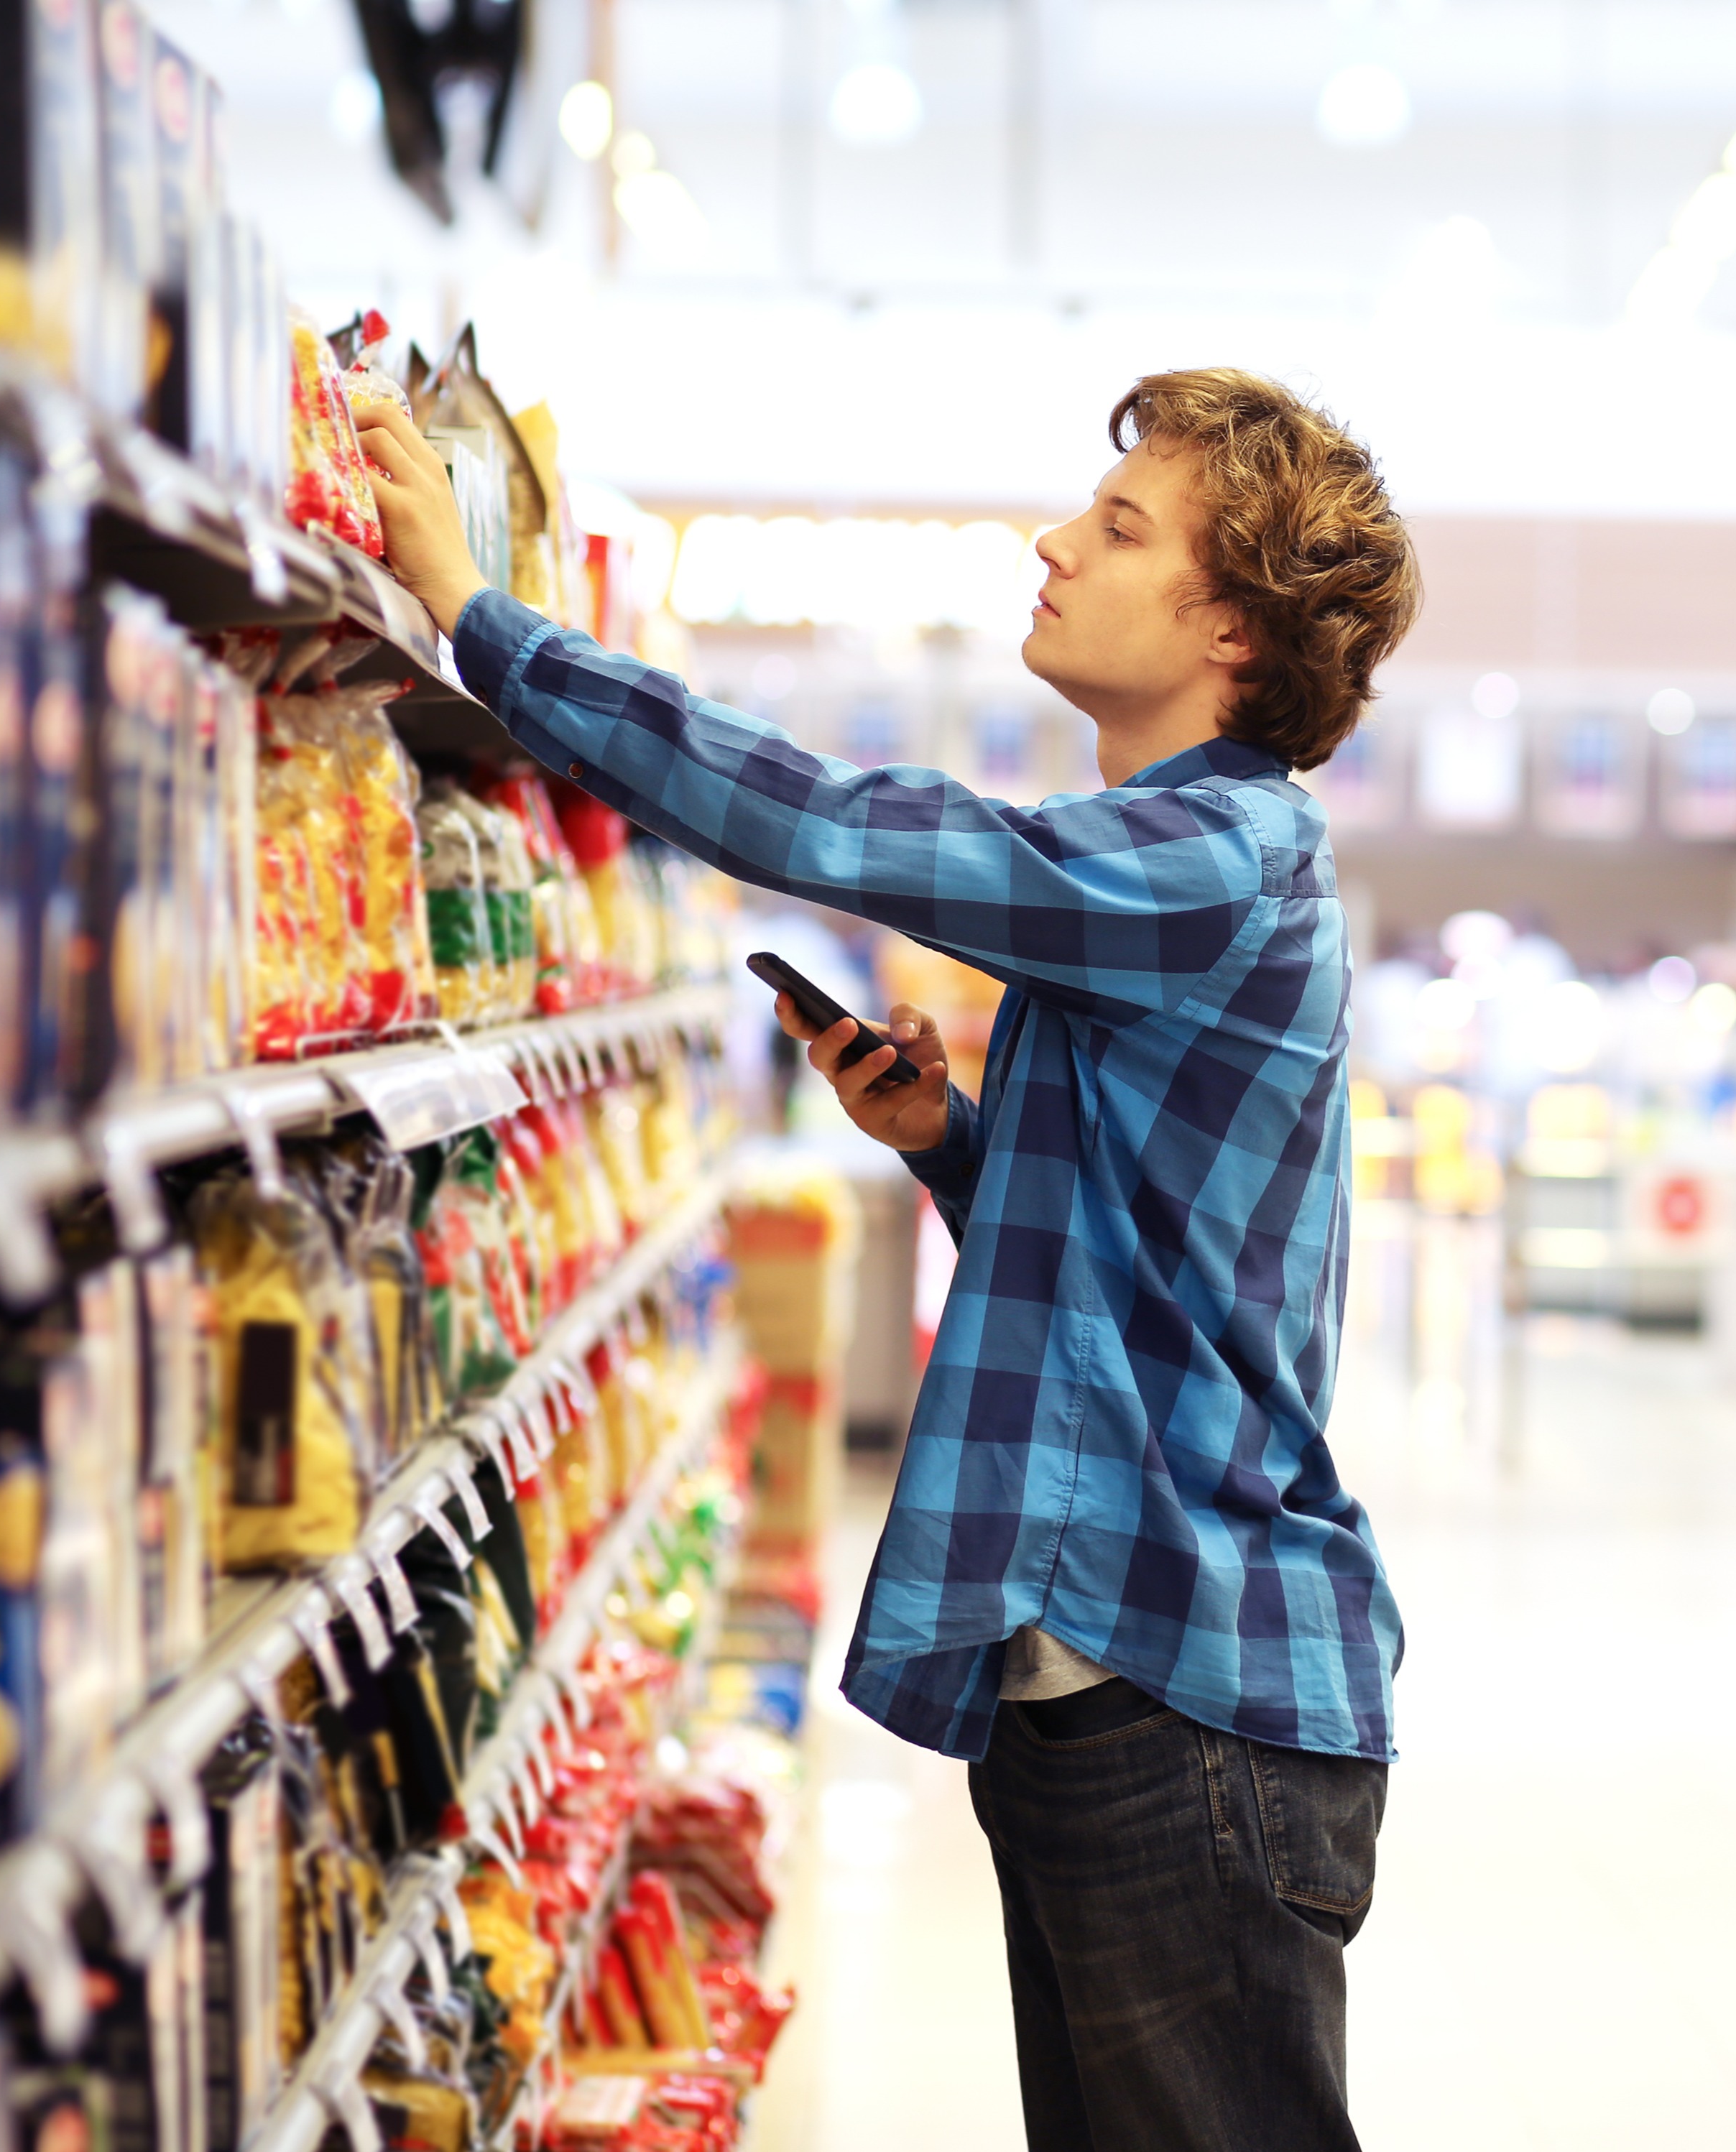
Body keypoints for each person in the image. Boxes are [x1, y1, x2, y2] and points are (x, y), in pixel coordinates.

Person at [357, 369, 1417, 2151]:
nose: (1056, 541)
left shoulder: (1212, 854)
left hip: (1189, 1683)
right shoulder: (1186, 876)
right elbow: (1140, 1269)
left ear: (1229, 630)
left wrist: (484, 621)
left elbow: (847, 828)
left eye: (1121, 526)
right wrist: (950, 1142)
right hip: (1128, 1679)